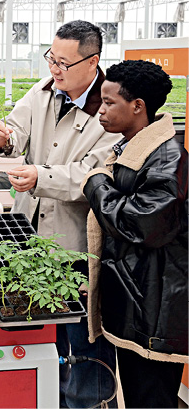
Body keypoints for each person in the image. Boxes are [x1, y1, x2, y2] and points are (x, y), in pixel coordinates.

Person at [0, 20, 119, 408]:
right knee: (46, 340)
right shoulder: (43, 91)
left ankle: (90, 403)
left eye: (63, 63)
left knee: (85, 342)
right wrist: (5, 139)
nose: (54, 69)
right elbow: (17, 133)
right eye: (51, 58)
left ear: (92, 62)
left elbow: (94, 174)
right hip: (33, 240)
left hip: (78, 247)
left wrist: (40, 176)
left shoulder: (109, 109)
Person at [81, 60, 188, 409]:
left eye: (109, 102)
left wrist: (96, 184)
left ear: (138, 106)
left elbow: (140, 223)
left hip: (155, 312)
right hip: (141, 302)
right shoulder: (134, 148)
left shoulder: (168, 159)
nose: (100, 110)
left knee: (151, 398)